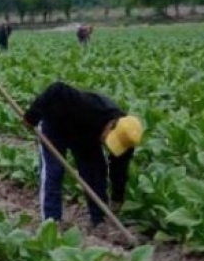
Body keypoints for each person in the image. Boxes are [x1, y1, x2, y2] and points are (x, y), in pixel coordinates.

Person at [23, 81, 143, 229]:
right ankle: (51, 222)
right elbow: (57, 89)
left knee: (95, 173)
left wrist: (117, 198)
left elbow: (119, 170)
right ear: (112, 124)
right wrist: (31, 116)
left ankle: (100, 220)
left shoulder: (127, 138)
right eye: (110, 139)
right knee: (54, 172)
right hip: (55, 125)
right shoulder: (89, 106)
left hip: (85, 135)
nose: (107, 144)